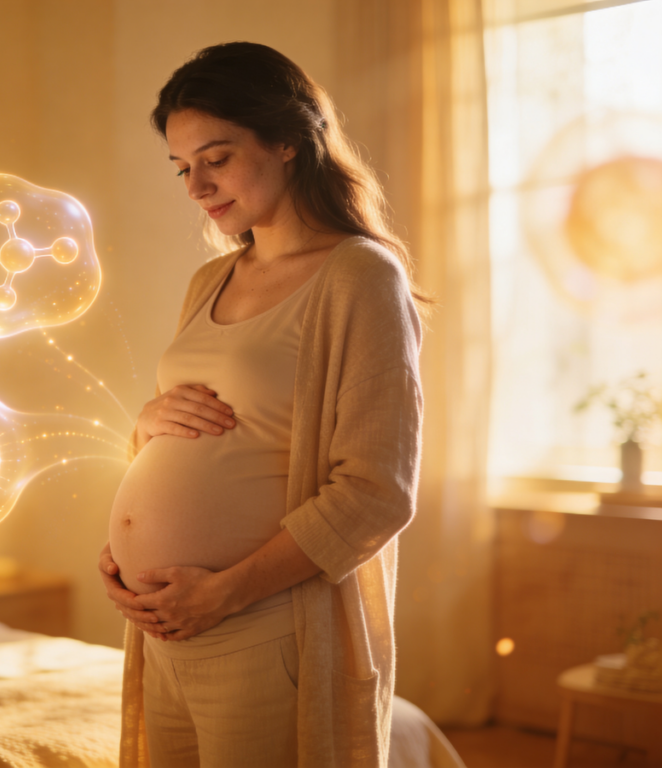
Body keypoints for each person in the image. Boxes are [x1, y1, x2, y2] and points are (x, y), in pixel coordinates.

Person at [98, 41, 426, 768]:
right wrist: (145, 433)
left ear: (286, 139)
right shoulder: (210, 279)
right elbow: (214, 432)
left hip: (261, 626)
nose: (196, 186)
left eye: (216, 157)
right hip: (163, 633)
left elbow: (376, 491)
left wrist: (222, 593)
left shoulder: (360, 277)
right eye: (184, 167)